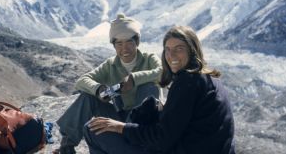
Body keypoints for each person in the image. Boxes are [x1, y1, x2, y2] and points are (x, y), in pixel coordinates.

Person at [84, 26, 235, 154]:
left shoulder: (188, 82)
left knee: (92, 130)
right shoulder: (210, 79)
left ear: (192, 50)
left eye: (179, 49)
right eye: (167, 50)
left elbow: (162, 139)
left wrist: (120, 127)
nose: (171, 55)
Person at [54, 14, 162, 154]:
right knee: (89, 97)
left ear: (137, 41)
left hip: (146, 121)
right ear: (113, 45)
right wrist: (98, 89)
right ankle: (67, 146)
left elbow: (162, 72)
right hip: (121, 116)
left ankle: (142, 140)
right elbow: (82, 81)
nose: (124, 49)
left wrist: (134, 79)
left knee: (149, 86)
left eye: (129, 42)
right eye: (119, 43)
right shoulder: (110, 65)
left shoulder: (149, 59)